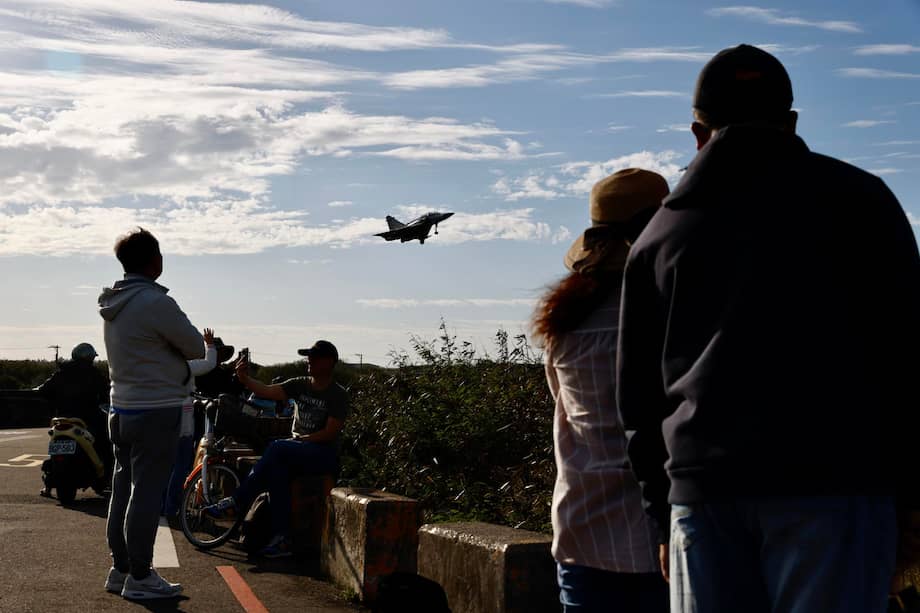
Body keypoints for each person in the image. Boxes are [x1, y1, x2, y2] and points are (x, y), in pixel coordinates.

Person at [616, 44, 920, 613]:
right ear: (791, 123)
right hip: (836, 484)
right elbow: (906, 356)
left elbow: (637, 399)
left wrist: (661, 513)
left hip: (702, 493)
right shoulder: (862, 202)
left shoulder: (659, 236)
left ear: (697, 134)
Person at [532, 169, 670, 613]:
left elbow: (563, 410)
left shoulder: (564, 327)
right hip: (658, 539)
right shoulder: (667, 318)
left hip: (582, 528)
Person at [98, 227, 204, 600]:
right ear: (154, 260)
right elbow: (193, 346)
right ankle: (141, 577)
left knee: (122, 490)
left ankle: (121, 567)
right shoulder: (155, 302)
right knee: (146, 495)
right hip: (156, 409)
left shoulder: (115, 302)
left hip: (121, 407)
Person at [206, 340, 349, 558]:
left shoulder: (338, 394)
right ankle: (283, 539)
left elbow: (330, 433)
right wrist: (245, 379)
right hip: (299, 450)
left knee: (277, 448)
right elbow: (267, 391)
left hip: (323, 453)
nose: (308, 361)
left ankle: (236, 502)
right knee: (277, 474)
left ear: (329, 363)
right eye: (308, 356)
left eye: (314, 357)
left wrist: (302, 440)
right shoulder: (300, 384)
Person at [162, 328, 222, 519]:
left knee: (164, 465)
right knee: (181, 464)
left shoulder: (157, 366)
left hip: (161, 416)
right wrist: (209, 344)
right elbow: (209, 363)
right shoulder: (186, 366)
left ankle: (160, 505)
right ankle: (171, 507)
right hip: (183, 416)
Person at [37, 342, 112, 490]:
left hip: (63, 417)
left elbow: (44, 390)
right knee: (107, 441)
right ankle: (106, 474)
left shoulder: (62, 372)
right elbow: (108, 391)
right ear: (90, 357)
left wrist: (55, 401)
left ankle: (49, 483)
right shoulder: (93, 374)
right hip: (88, 418)